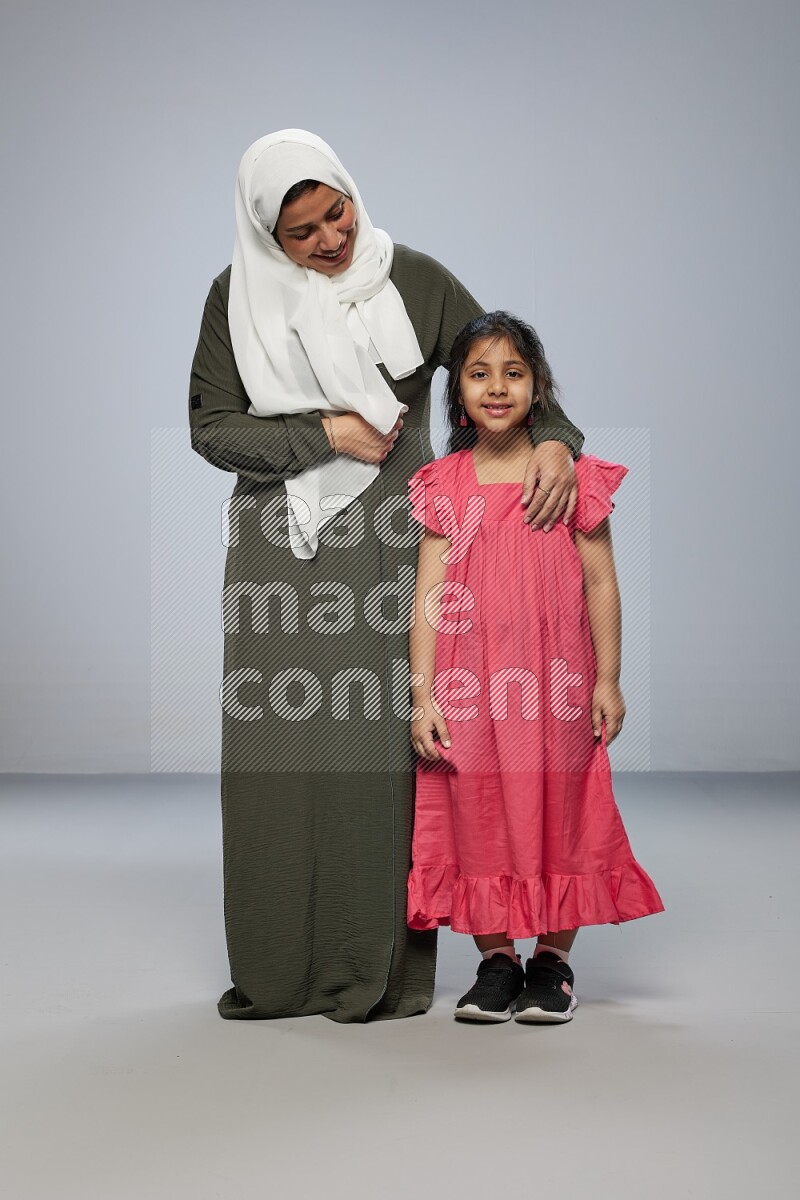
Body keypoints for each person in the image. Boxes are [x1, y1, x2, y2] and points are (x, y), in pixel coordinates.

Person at [189, 130, 585, 1023]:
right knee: (277, 754)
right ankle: (279, 970)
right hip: (280, 552)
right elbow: (211, 427)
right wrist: (323, 433)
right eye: (301, 231)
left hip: (395, 543)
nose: (330, 238)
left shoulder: (414, 278)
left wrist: (556, 442)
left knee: (381, 756)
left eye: (338, 212)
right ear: (266, 237)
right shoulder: (235, 297)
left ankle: (376, 973)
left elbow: (511, 371)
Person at [407, 311, 663, 1023]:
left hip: (556, 682)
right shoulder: (444, 483)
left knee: (562, 808)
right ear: (458, 393)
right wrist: (423, 693)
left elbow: (602, 581)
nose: (497, 387)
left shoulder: (571, 476)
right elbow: (428, 593)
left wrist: (608, 677)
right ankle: (496, 960)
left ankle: (552, 961)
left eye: (513, 373)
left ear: (537, 387)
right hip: (470, 683)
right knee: (475, 809)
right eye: (479, 374)